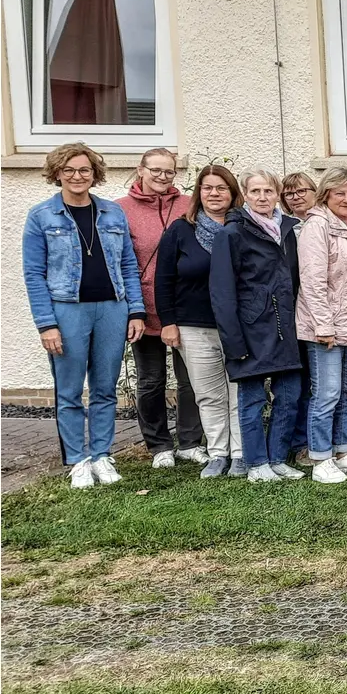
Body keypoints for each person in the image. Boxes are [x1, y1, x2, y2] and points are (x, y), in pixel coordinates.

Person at [23, 143, 146, 489]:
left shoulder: (112, 213)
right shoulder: (41, 216)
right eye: (69, 170)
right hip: (67, 311)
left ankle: (102, 454)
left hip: (112, 309)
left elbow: (128, 264)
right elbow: (34, 274)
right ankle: (78, 460)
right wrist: (46, 324)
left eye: (84, 170)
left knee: (105, 388)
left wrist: (135, 310)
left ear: (94, 174)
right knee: (70, 390)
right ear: (57, 173)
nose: (77, 176)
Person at [212, 170, 306, 483]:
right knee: (252, 399)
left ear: (277, 194)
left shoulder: (288, 230)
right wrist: (233, 341)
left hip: (285, 327)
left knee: (289, 396)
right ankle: (256, 464)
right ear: (245, 195)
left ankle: (277, 459)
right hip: (251, 328)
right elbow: (222, 292)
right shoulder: (232, 233)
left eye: (268, 191)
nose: (262, 197)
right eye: (255, 191)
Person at [156, 164, 246, 479]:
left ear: (233, 193)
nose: (214, 193)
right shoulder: (181, 230)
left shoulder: (245, 228)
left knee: (239, 393)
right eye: (207, 188)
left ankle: (241, 454)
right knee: (209, 394)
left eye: (221, 187)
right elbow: (163, 279)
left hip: (239, 327)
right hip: (193, 326)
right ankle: (218, 453)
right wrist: (168, 322)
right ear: (199, 193)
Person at [118, 148, 204, 467]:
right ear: (140, 169)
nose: (162, 177)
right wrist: (132, 309)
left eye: (169, 171)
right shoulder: (120, 209)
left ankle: (190, 442)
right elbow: (120, 262)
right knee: (151, 380)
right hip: (143, 309)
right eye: (155, 170)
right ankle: (159, 445)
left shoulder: (188, 205)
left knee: (190, 378)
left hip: (185, 307)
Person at [296, 167, 347, 483]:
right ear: (326, 195)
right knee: (327, 393)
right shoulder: (317, 226)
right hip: (327, 327)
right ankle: (320, 458)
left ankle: (344, 452)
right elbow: (313, 280)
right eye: (340, 193)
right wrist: (323, 325)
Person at [280, 170, 316, 464]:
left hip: (322, 313)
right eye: (289, 193)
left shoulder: (326, 224)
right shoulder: (283, 229)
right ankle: (298, 442)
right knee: (298, 383)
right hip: (292, 315)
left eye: (301, 191)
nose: (296, 197)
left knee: (321, 384)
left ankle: (319, 440)